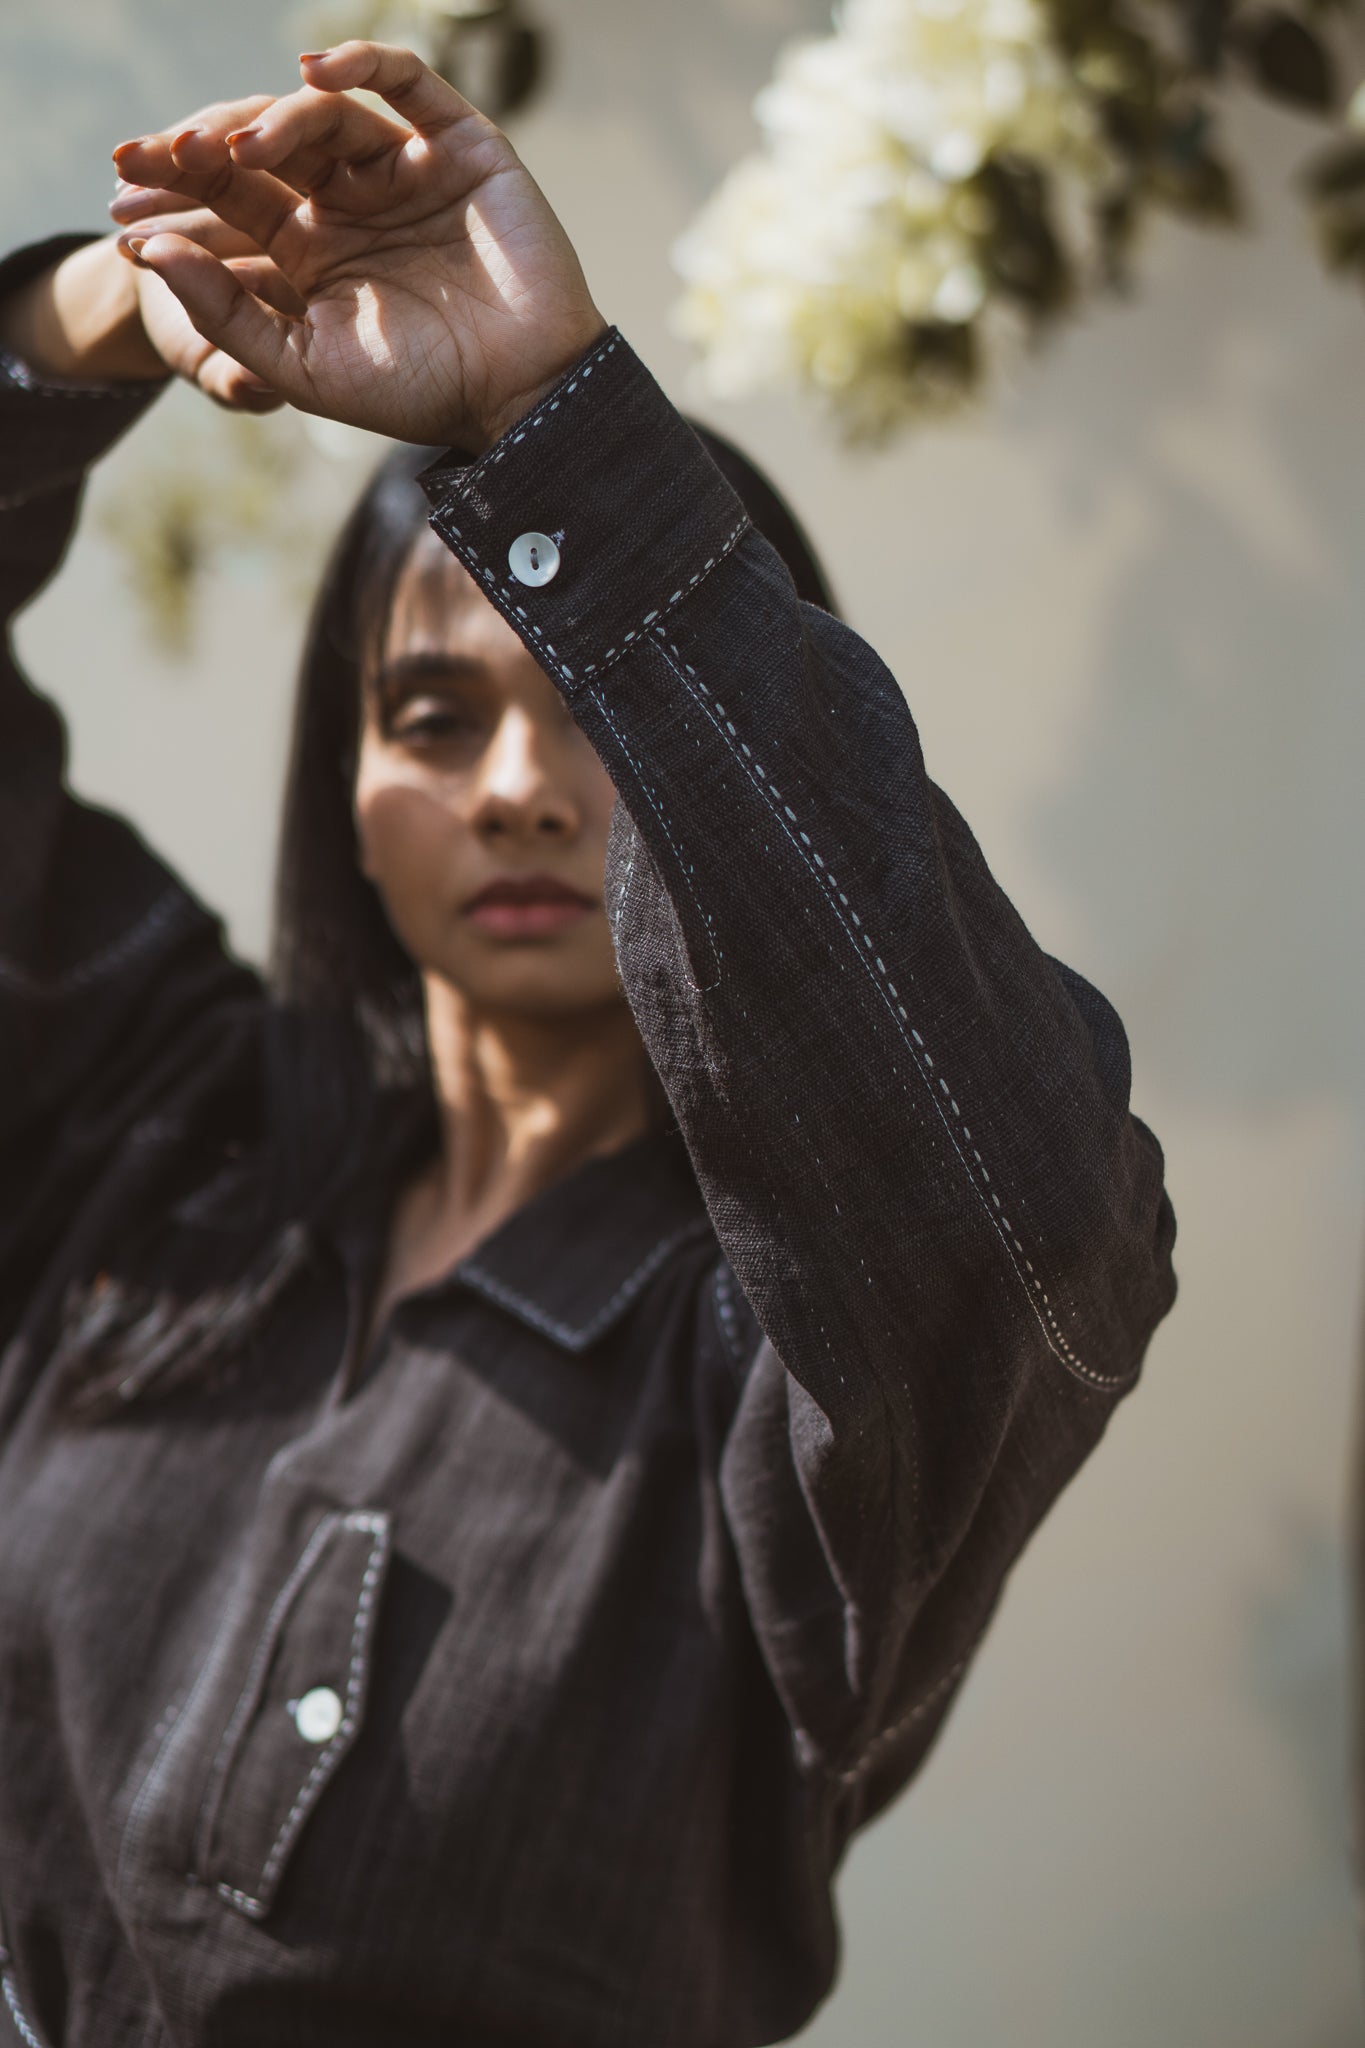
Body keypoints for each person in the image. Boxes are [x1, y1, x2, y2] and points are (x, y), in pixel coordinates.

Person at [0, 41, 1178, 2048]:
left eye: (593, 713)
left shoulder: (788, 1376)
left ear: (718, 766)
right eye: (433, 716)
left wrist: (550, 419)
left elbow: (1030, 1219)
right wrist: (98, 312)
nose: (521, 792)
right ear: (343, 781)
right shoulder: (158, 1135)